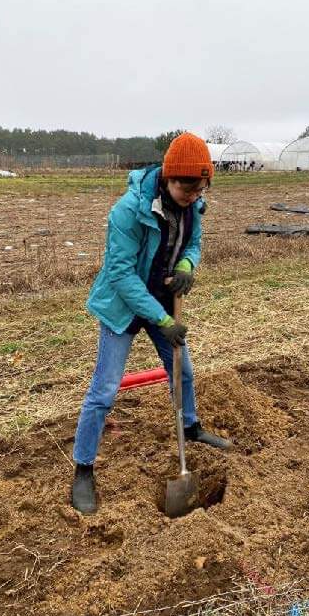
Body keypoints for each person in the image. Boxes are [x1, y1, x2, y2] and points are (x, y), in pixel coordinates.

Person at [71, 133, 232, 515]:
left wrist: (186, 266)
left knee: (184, 372)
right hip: (123, 306)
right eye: (186, 189)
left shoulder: (193, 206)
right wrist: (161, 318)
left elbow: (193, 244)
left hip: (162, 301)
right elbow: (122, 275)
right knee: (105, 390)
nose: (193, 196)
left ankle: (190, 426)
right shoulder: (127, 211)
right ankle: (83, 467)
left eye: (199, 189)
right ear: (168, 178)